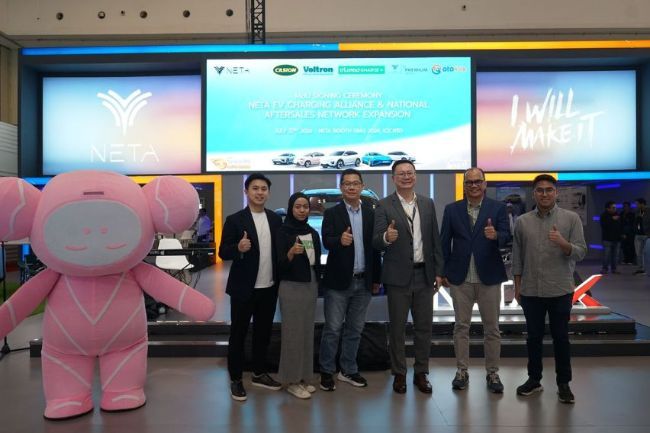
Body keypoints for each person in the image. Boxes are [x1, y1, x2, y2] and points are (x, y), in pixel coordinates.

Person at [512, 174, 586, 404]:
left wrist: (563, 243)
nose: (544, 194)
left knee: (561, 338)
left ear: (556, 192)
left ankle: (564, 383)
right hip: (531, 290)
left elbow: (581, 252)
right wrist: (517, 287)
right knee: (533, 338)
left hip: (560, 289)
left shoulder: (571, 219)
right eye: (540, 190)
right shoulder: (523, 221)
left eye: (549, 190)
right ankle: (534, 379)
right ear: (534, 194)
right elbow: (517, 257)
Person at [372, 160, 444, 395]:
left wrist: (438, 272)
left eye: (410, 173)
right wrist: (386, 237)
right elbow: (376, 241)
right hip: (397, 277)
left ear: (415, 176)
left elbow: (434, 239)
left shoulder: (427, 203)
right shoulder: (383, 205)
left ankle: (421, 372)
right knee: (397, 329)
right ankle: (399, 373)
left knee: (424, 328)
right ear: (393, 178)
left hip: (424, 275)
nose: (406, 176)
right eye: (401, 173)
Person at [440, 167, 510, 393]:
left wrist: (496, 235)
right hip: (460, 278)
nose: (473, 185)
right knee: (461, 327)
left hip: (489, 276)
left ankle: (493, 373)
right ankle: (462, 371)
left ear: (485, 183)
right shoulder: (452, 210)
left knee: (492, 329)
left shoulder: (498, 208)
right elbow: (444, 243)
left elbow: (507, 236)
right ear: (464, 185)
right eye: (469, 182)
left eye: (477, 181)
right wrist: (442, 272)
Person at [218, 173, 282, 401]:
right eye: (255, 188)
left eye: (264, 188)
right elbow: (223, 252)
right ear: (246, 191)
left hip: (269, 287)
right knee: (238, 334)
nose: (259, 192)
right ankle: (236, 379)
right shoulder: (235, 220)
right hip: (244, 288)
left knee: (263, 334)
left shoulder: (275, 219)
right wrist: (238, 248)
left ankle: (258, 373)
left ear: (268, 193)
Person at [319, 169, 382, 391]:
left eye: (356, 183)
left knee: (355, 329)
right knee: (333, 329)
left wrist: (376, 278)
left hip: (364, 281)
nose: (352, 187)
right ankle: (327, 371)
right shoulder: (332, 213)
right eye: (347, 183)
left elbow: (375, 249)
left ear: (362, 186)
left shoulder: (371, 214)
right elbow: (326, 241)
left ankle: (348, 369)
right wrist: (339, 240)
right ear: (341, 188)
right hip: (338, 282)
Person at [275, 192, 322, 399]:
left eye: (305, 207)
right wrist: (291, 253)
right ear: (290, 209)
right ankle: (291, 381)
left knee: (306, 332)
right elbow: (278, 264)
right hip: (291, 286)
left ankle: (304, 377)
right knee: (292, 334)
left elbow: (315, 261)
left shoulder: (312, 232)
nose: (302, 210)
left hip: (310, 284)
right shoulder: (282, 232)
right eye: (298, 206)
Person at [599, 201, 622, 274]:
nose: (615, 209)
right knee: (606, 255)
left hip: (617, 239)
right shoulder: (604, 216)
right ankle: (605, 268)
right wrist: (612, 219)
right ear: (608, 208)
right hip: (607, 239)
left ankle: (614, 269)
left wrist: (621, 234)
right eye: (613, 207)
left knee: (615, 256)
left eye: (615, 207)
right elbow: (604, 225)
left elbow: (620, 226)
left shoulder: (618, 215)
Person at [633, 198, 649, 275]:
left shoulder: (649, 211)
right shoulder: (637, 212)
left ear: (642, 204)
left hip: (647, 235)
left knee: (646, 252)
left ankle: (646, 269)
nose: (636, 205)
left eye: (637, 204)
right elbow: (636, 222)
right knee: (638, 253)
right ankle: (640, 268)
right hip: (638, 235)